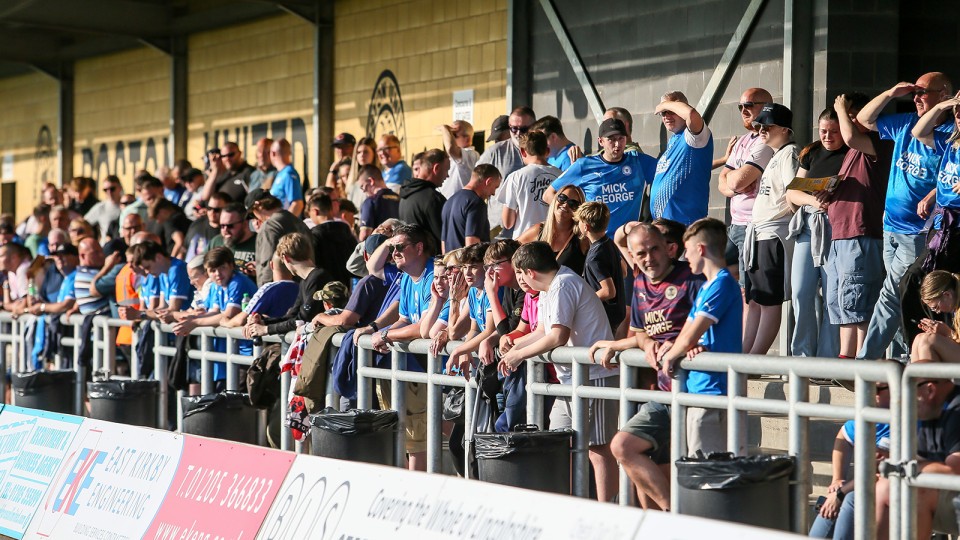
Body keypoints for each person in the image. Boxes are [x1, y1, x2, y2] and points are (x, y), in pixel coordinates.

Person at [589, 222, 705, 511]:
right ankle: (670, 514)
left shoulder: (692, 279)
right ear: (632, 255)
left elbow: (712, 327)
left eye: (654, 249)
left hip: (696, 392)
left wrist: (680, 344)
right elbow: (641, 332)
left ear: (670, 248)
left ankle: (676, 515)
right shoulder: (639, 282)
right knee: (631, 457)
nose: (649, 258)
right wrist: (644, 344)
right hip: (663, 392)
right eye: (641, 253)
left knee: (626, 450)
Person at [498, 240, 619, 502]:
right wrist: (513, 343)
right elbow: (540, 331)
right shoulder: (548, 289)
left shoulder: (564, 283)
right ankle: (571, 505)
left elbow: (557, 337)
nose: (520, 279)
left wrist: (518, 355)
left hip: (594, 377)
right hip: (569, 380)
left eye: (520, 273)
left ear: (530, 272)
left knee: (598, 448)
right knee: (560, 443)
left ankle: (606, 511)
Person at [856, 72, 954, 359]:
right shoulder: (905, 121)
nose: (917, 97)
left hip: (919, 231)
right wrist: (890, 93)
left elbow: (949, 175)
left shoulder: (949, 132)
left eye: (924, 92)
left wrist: (934, 193)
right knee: (901, 295)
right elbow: (863, 121)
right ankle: (901, 355)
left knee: (889, 294)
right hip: (891, 227)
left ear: (944, 94)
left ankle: (866, 362)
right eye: (915, 93)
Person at [657, 218, 743, 456]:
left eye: (687, 250)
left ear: (700, 249)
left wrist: (670, 356)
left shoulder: (722, 284)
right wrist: (682, 346)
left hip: (713, 392)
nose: (686, 257)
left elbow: (689, 337)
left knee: (707, 478)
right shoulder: (708, 286)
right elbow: (687, 334)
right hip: (699, 390)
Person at [360, 223, 440, 471]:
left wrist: (387, 335)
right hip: (419, 368)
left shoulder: (433, 275)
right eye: (391, 247)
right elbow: (406, 318)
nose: (394, 253)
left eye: (399, 247)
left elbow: (423, 327)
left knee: (423, 437)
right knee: (411, 434)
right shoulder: (406, 277)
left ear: (419, 248)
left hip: (440, 369)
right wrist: (384, 331)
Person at [823, 93, 892, 359]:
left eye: (852, 116)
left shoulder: (877, 141)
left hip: (861, 233)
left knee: (859, 300)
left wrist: (840, 108)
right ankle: (846, 358)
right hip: (840, 234)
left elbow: (851, 136)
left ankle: (863, 361)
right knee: (840, 302)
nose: (846, 121)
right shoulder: (852, 151)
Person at [785, 107, 846, 358]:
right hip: (810, 223)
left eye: (834, 131)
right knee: (800, 291)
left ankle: (828, 356)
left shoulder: (851, 154)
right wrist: (813, 201)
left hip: (836, 226)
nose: (828, 136)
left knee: (833, 294)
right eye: (823, 131)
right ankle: (802, 355)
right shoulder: (811, 152)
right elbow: (792, 192)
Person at [875, 365, 960, 540]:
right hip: (946, 493)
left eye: (911, 393)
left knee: (916, 491)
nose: (907, 400)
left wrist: (906, 468)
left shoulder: (956, 409)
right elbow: (919, 458)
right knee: (884, 486)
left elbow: (955, 469)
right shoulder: (929, 409)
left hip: (952, 492)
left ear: (929, 390)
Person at [742, 103, 798, 356]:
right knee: (754, 300)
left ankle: (756, 356)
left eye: (768, 125)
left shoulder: (789, 153)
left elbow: (793, 193)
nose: (762, 130)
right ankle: (746, 353)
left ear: (785, 129)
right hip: (759, 233)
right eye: (760, 126)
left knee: (768, 299)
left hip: (773, 233)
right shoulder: (775, 155)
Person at [545, 118, 657, 237]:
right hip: (596, 243)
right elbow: (548, 194)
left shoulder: (638, 161)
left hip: (628, 242)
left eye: (621, 138)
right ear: (601, 141)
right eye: (612, 139)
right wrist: (578, 217)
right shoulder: (584, 165)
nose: (617, 144)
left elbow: (669, 175)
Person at [809, 382, 891, 539]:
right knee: (836, 499)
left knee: (850, 499)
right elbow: (843, 436)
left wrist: (841, 493)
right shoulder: (871, 414)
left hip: (889, 486)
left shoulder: (909, 417)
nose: (870, 392)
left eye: (877, 388)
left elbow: (875, 472)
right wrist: (838, 478)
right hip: (866, 482)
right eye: (867, 387)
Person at [174, 247, 258, 386]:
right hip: (231, 350)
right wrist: (192, 318)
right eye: (212, 271)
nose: (218, 274)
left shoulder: (238, 282)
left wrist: (195, 323)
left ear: (231, 266)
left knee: (241, 400)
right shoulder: (216, 285)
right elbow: (214, 311)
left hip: (247, 350)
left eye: (222, 268)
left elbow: (228, 315)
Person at [718, 88, 776, 285]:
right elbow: (723, 181)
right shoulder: (742, 140)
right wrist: (734, 187)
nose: (743, 110)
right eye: (740, 106)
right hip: (735, 225)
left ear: (765, 107)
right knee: (712, 275)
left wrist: (734, 183)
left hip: (753, 226)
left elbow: (735, 180)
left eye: (749, 106)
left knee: (746, 288)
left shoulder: (765, 140)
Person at [245, 232, 332, 338]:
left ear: (286, 258)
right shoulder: (305, 281)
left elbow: (303, 319)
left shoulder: (318, 277)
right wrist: (264, 322)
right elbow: (292, 316)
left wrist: (266, 329)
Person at [651, 91, 714, 225]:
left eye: (671, 110)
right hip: (665, 225)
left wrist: (665, 104)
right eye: (663, 113)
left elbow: (692, 115)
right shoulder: (674, 140)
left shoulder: (693, 137)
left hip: (685, 224)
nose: (667, 116)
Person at [479, 107, 537, 233]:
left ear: (534, 127)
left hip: (532, 229)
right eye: (514, 128)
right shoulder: (494, 152)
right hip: (501, 231)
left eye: (523, 129)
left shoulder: (544, 151)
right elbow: (475, 186)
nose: (518, 133)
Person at [497, 131, 561, 239]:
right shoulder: (561, 175)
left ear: (522, 151)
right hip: (554, 241)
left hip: (524, 242)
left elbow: (507, 223)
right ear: (548, 151)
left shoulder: (515, 177)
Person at [574, 202, 625, 334]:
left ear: (586, 227)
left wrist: (583, 302)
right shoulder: (609, 243)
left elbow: (608, 291)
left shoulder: (594, 258)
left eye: (579, 221)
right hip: (616, 313)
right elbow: (623, 272)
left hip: (604, 316)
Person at [517, 184, 590, 275]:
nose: (565, 204)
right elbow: (510, 250)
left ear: (578, 210)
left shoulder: (582, 238)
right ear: (555, 199)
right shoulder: (538, 230)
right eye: (562, 198)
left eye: (573, 203)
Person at [119, 241, 194, 323]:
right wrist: (139, 314)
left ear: (158, 257)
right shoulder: (162, 273)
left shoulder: (177, 269)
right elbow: (162, 307)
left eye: (148, 267)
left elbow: (172, 311)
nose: (147, 272)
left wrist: (139, 314)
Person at [251, 194, 311, 286]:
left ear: (258, 205)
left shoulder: (270, 226)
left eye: (253, 213)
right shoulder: (297, 220)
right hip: (306, 285)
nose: (255, 219)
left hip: (282, 290)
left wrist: (264, 290)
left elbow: (267, 262)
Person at [441, 164, 501, 252]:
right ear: (489, 181)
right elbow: (472, 244)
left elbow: (443, 242)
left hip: (450, 262)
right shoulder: (476, 203)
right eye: (495, 187)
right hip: (468, 263)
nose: (493, 193)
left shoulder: (449, 201)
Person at [398, 148, 448, 248]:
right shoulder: (433, 199)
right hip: (431, 261)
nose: (447, 175)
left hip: (411, 259)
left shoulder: (405, 196)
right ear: (436, 168)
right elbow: (444, 238)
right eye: (446, 170)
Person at [307, 193, 357, 287]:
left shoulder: (314, 236)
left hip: (326, 289)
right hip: (348, 288)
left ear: (315, 211)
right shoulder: (346, 232)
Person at [208, 202, 257, 278]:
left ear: (244, 224)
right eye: (222, 226)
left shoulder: (259, 242)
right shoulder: (217, 241)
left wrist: (259, 270)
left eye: (230, 226)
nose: (225, 230)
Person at [438, 120, 480, 198]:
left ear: (467, 139)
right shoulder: (453, 157)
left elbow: (451, 149)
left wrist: (444, 128)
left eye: (454, 135)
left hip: (458, 207)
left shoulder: (471, 154)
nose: (449, 137)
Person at [357, 165, 400, 241]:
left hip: (379, 249)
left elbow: (364, 235)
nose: (363, 190)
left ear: (371, 181)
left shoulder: (370, 201)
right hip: (400, 248)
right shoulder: (400, 198)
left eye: (362, 186)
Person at [269, 138, 305, 216]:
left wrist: (284, 224)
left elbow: (297, 204)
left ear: (273, 153)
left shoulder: (288, 174)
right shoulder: (282, 174)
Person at [84, 175, 123, 244]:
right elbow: (83, 223)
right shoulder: (100, 207)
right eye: (105, 190)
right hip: (108, 246)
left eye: (112, 189)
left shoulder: (128, 203)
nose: (109, 192)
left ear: (120, 188)